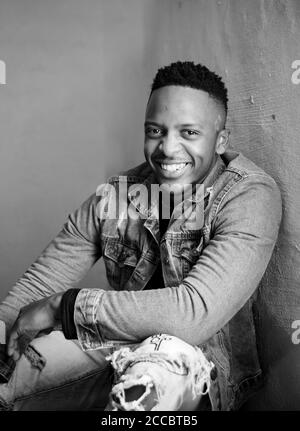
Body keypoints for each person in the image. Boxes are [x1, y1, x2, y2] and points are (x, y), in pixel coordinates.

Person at [0, 61, 282, 411]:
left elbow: (192, 315)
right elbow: (41, 282)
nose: (168, 149)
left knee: (152, 375)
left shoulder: (250, 195)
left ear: (221, 139)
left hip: (191, 367)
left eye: (189, 133)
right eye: (155, 131)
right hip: (113, 346)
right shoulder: (117, 195)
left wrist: (63, 307)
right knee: (11, 370)